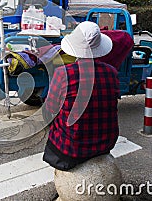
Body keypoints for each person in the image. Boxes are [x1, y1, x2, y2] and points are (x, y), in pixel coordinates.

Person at [42, 22, 120, 171]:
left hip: (71, 149)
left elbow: (50, 109)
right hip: (106, 143)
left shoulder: (63, 73)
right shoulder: (112, 72)